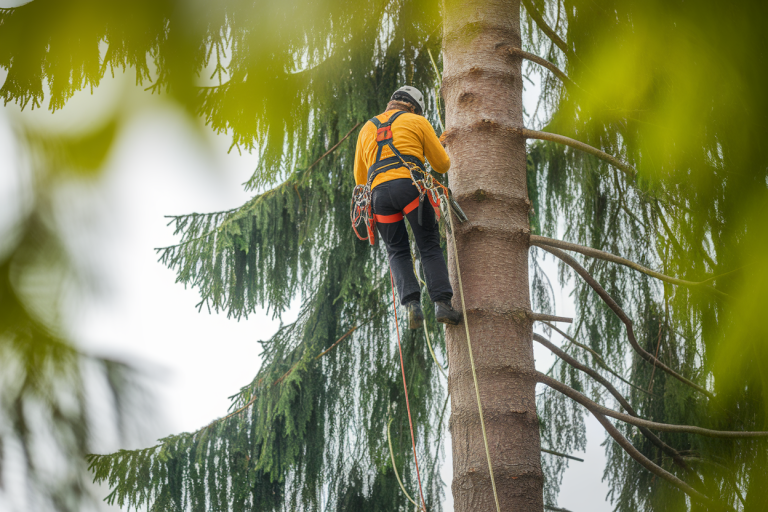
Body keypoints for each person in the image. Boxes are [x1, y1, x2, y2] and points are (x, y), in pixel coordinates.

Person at [353, 86, 462, 329]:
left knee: (397, 250)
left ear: (392, 102)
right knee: (428, 246)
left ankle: (412, 306)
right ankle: (442, 304)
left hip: (379, 197)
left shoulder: (366, 129)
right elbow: (442, 165)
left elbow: (360, 180)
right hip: (411, 188)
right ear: (413, 107)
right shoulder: (417, 121)